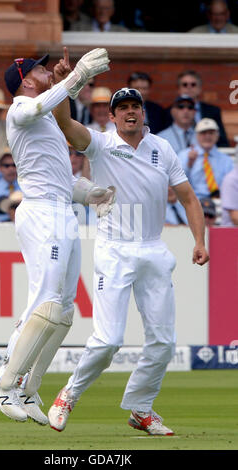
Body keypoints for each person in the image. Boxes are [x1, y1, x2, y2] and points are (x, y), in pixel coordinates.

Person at [47, 86, 209, 435]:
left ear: (143, 111)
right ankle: (68, 395)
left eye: (136, 106)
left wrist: (199, 240)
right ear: (113, 115)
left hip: (153, 248)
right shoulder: (102, 144)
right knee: (108, 340)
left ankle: (141, 408)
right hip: (114, 249)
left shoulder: (162, 148)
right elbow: (64, 123)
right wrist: (63, 85)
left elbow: (189, 198)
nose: (130, 112)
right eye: (123, 108)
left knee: (164, 341)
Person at [0, 47, 114, 424]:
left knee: (63, 308)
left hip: (60, 210)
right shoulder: (19, 110)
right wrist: (78, 77)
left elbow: (60, 181)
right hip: (42, 214)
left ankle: (27, 386)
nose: (46, 71)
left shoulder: (45, 120)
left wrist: (92, 193)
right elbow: (39, 106)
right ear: (25, 80)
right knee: (44, 302)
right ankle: (3, 382)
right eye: (40, 69)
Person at [165, 70, 229, 147]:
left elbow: (221, 140)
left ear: (200, 88)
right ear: (178, 89)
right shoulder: (167, 112)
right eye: (185, 85)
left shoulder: (213, 111)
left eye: (193, 84)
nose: (189, 87)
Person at [178, 118, 233, 200]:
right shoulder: (184, 155)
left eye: (211, 133)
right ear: (196, 135)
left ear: (217, 136)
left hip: (219, 201)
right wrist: (189, 164)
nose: (207, 136)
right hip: (192, 201)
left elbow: (231, 186)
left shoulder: (226, 160)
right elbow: (177, 183)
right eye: (203, 133)